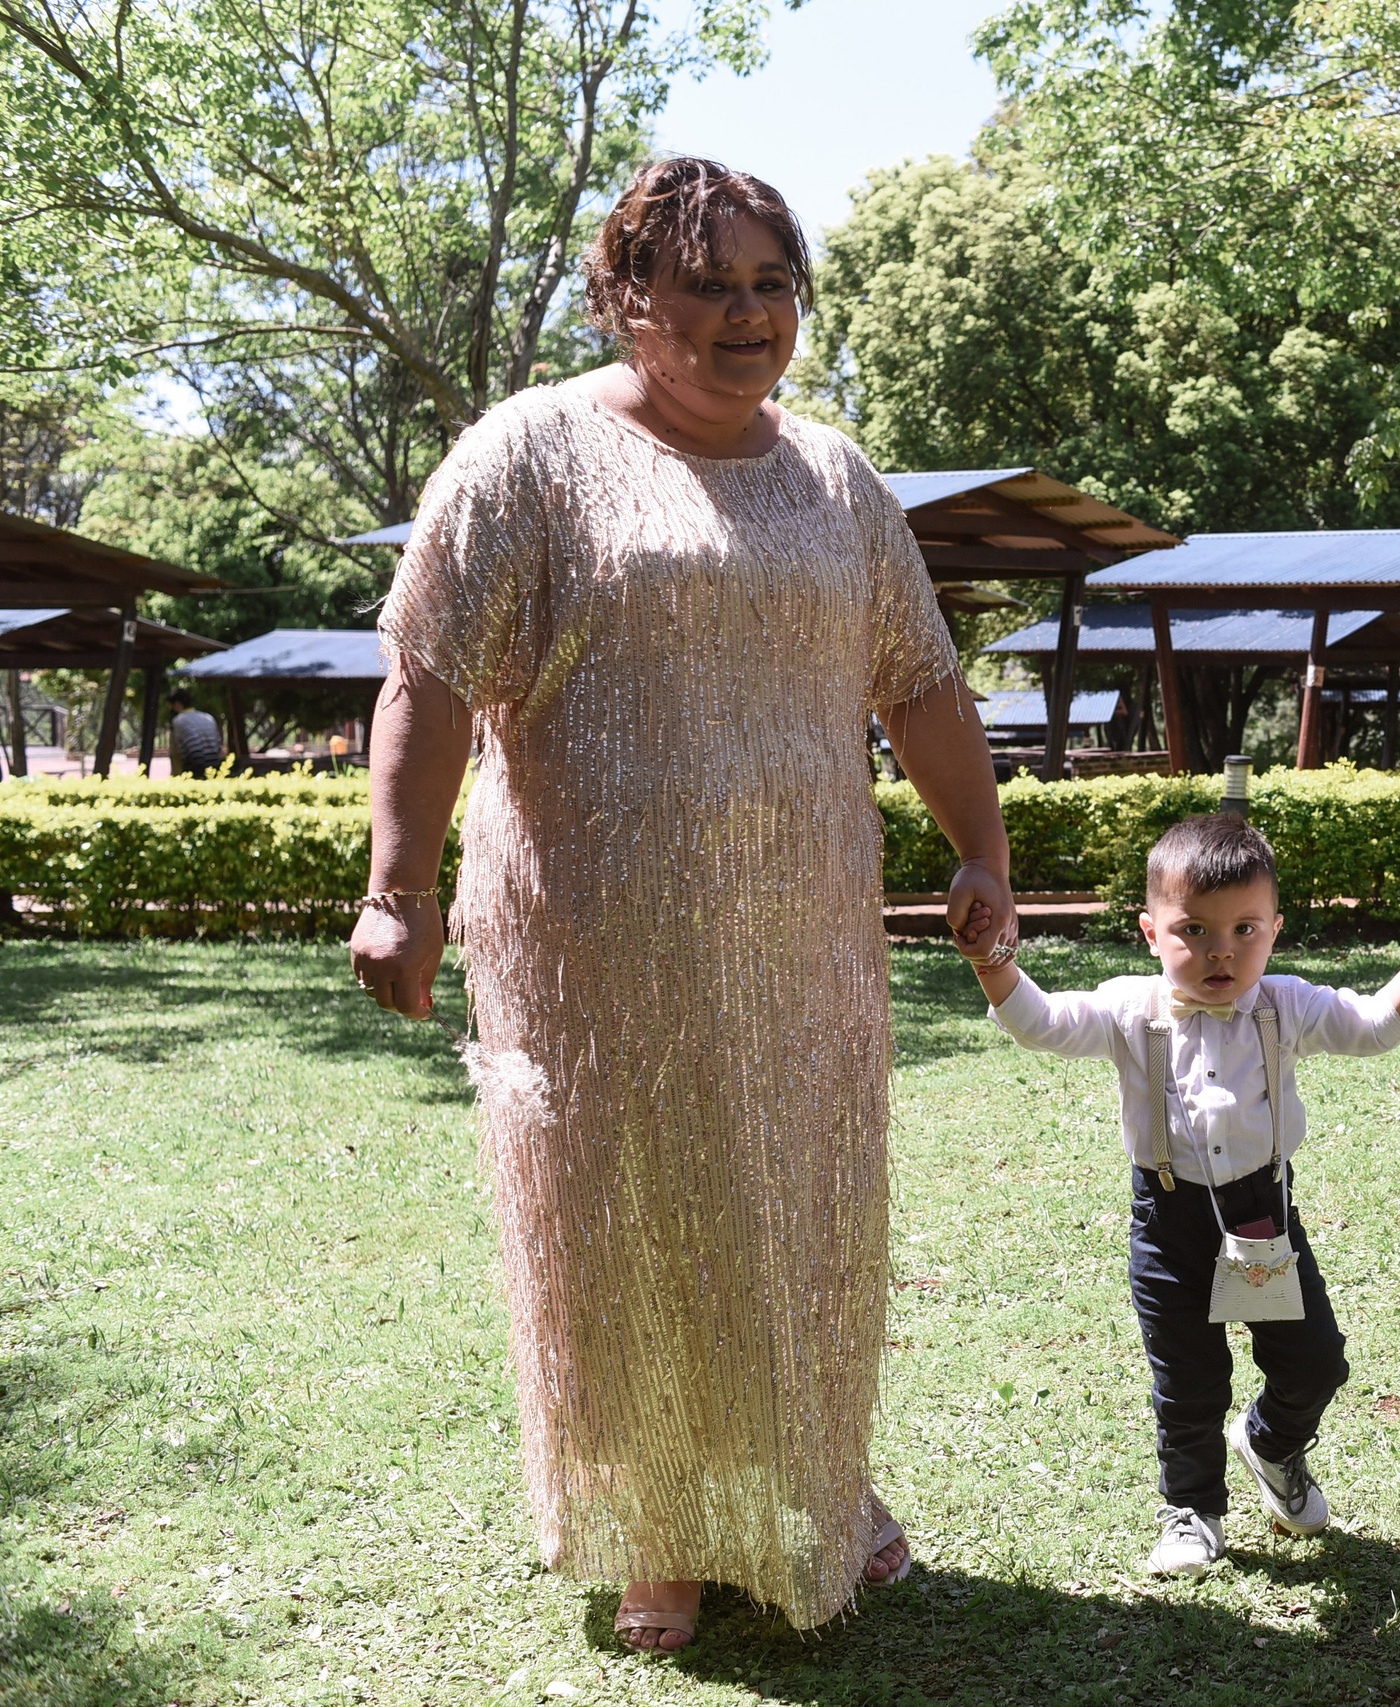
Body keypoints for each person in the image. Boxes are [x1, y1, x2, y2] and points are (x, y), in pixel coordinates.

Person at [346, 157, 1017, 1650]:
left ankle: (816, 1484)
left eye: (771, 282)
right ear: (625, 295)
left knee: (801, 1209)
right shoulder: (524, 456)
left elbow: (921, 683)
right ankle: (652, 1526)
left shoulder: (836, 478)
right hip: (590, 933)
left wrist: (981, 850)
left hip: (804, 933)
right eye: (707, 283)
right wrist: (396, 887)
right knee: (621, 1215)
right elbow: (430, 677)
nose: (746, 312)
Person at [959, 816, 1400, 1576]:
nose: (1221, 949)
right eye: (1193, 928)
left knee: (1317, 1362)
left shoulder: (1285, 1005)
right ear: (1150, 930)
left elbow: (1375, 1027)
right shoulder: (1131, 1009)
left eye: (1244, 928)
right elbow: (1041, 1023)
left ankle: (1270, 1440)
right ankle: (1192, 1511)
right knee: (1188, 1381)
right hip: (1169, 1220)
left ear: (1275, 929)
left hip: (1263, 1215)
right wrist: (991, 959)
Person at [166, 689, 225, 778]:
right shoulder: (208, 718)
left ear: (177, 704)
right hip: (215, 767)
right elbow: (218, 746)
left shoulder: (179, 721)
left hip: (195, 770)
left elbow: (188, 751)